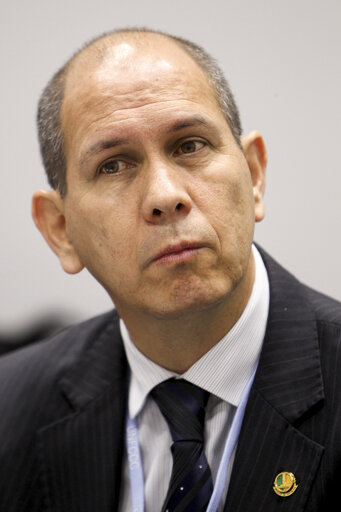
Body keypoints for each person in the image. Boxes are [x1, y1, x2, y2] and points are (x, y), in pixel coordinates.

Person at [0, 28, 340, 512]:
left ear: (255, 175)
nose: (164, 196)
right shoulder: (10, 412)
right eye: (114, 165)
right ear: (60, 230)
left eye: (190, 145)